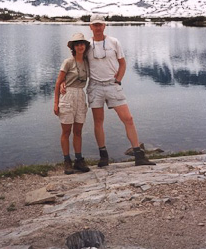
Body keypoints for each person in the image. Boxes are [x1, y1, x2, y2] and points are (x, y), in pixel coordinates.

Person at [86, 14, 156, 167]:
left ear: (105, 26)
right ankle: (103, 156)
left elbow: (122, 64)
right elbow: (78, 65)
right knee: (98, 122)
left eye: (100, 24)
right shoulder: (86, 45)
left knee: (128, 118)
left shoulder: (114, 42)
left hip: (113, 85)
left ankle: (138, 155)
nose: (98, 27)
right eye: (95, 25)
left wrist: (118, 80)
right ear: (90, 26)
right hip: (95, 86)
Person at [54, 32, 91, 175]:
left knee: (78, 131)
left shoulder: (87, 62)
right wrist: (56, 102)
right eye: (77, 44)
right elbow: (58, 82)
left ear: (85, 46)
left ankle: (79, 159)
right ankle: (66, 160)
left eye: (82, 44)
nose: (80, 46)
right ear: (73, 47)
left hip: (81, 96)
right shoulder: (68, 62)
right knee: (66, 131)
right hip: (67, 96)